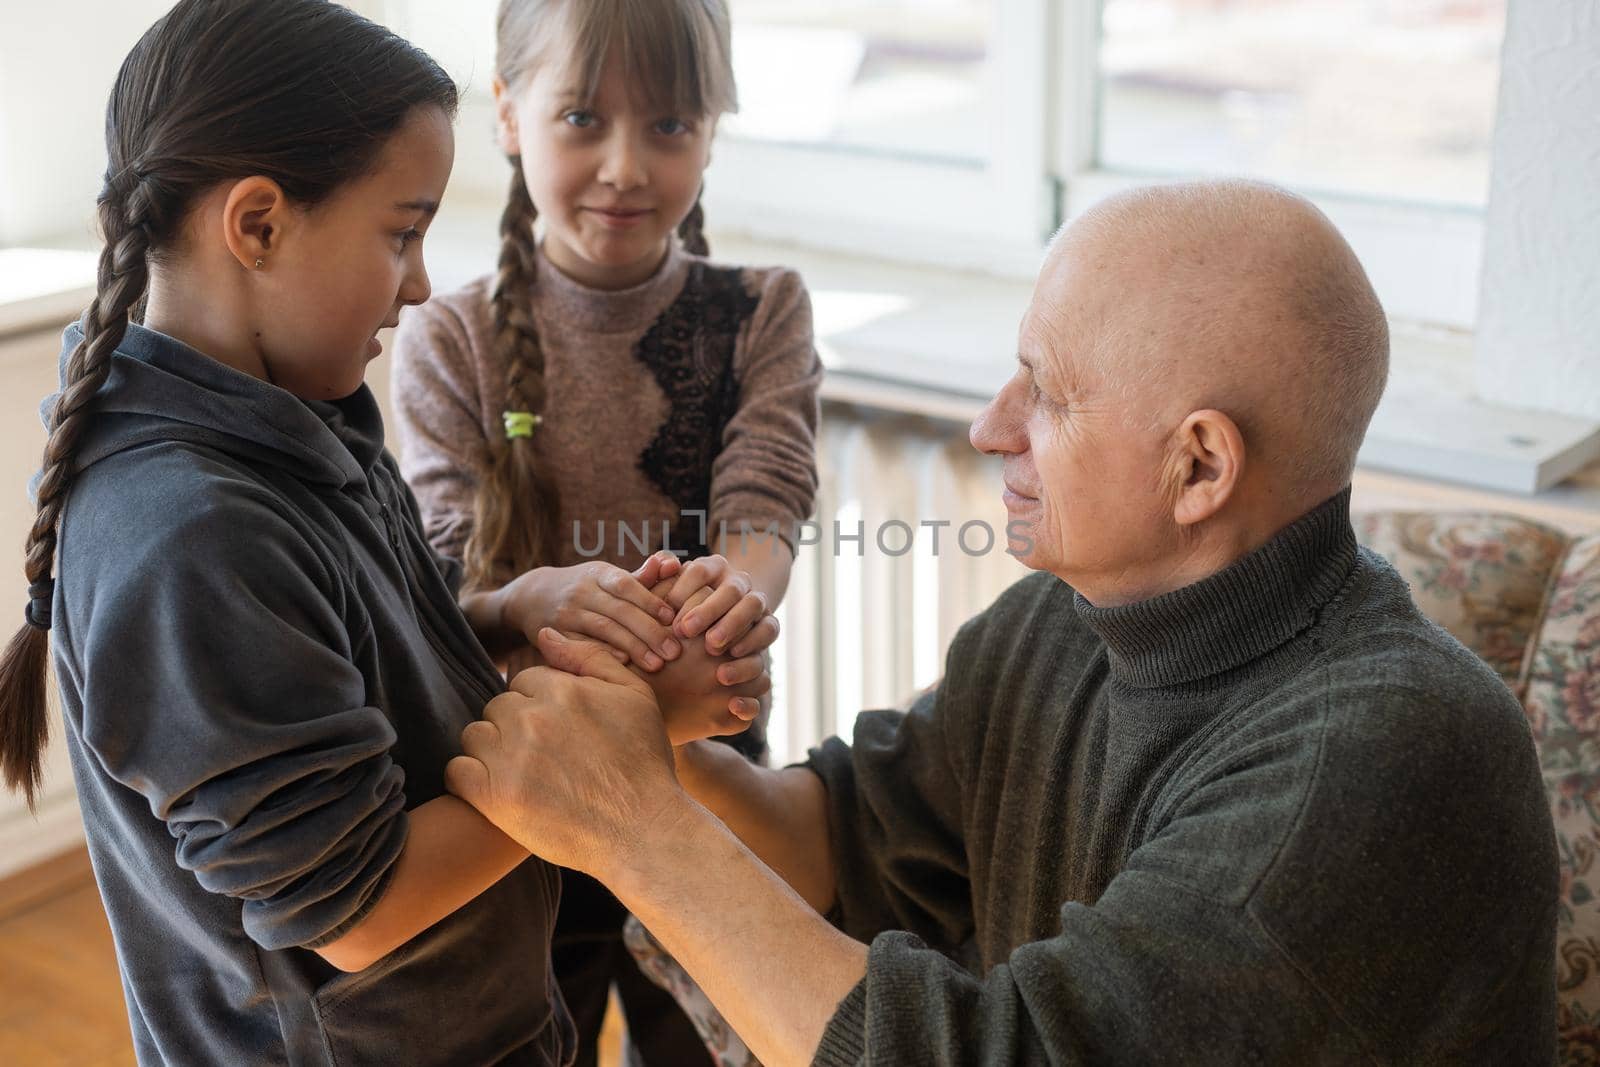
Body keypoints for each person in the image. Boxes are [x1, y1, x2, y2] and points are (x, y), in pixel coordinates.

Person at [441, 180, 1560, 1065]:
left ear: (1201, 464)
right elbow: (835, 839)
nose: (989, 426)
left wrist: (633, 828)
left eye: (1047, 391)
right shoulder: (1069, 614)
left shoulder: (1373, 759)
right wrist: (647, 725)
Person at [0, 2, 764, 1064]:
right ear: (258, 224)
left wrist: (505, 613)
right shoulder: (190, 536)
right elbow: (354, 908)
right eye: (400, 232)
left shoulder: (294, 415)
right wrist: (624, 725)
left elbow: (349, 662)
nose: (414, 284)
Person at [390, 0, 820, 1061]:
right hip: (525, 792)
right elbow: (453, 576)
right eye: (583, 118)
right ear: (507, 114)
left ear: (712, 131)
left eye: (670, 126)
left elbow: (765, 496)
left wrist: (733, 591)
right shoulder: (446, 334)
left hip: (709, 775)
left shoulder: (764, 307)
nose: (627, 166)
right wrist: (630, 652)